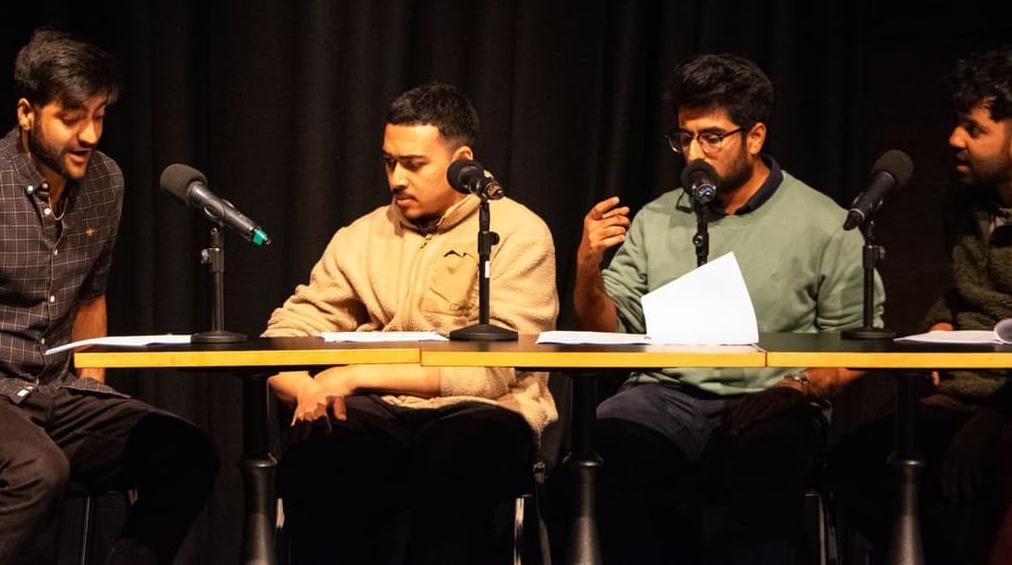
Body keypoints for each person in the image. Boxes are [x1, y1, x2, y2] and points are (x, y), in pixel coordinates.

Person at [572, 53, 882, 565]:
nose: (693, 152)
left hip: (774, 395)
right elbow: (608, 332)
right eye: (684, 137)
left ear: (755, 136)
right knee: (609, 440)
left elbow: (858, 341)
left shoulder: (826, 223)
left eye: (711, 137)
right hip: (665, 394)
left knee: (768, 458)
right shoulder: (655, 218)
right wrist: (588, 267)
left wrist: (798, 387)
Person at [0, 29, 218, 565]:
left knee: (186, 453)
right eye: (71, 118)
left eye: (100, 116)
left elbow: (90, 298)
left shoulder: (106, 183)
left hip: (54, 390)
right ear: (27, 113)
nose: (89, 134)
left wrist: (91, 387)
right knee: (37, 470)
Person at [263, 82, 558, 565]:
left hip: (480, 409)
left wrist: (354, 374)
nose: (396, 179)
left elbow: (490, 373)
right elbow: (289, 330)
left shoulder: (519, 233)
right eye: (388, 162)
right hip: (377, 410)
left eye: (414, 164)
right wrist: (304, 387)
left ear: (463, 161)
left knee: (459, 456)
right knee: (323, 445)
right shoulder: (361, 236)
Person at [830, 45, 1012, 564]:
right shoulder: (965, 202)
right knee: (862, 460)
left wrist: (993, 419)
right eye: (958, 124)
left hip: (1003, 402)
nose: (955, 140)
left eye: (974, 130)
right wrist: (938, 322)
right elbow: (963, 288)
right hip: (965, 391)